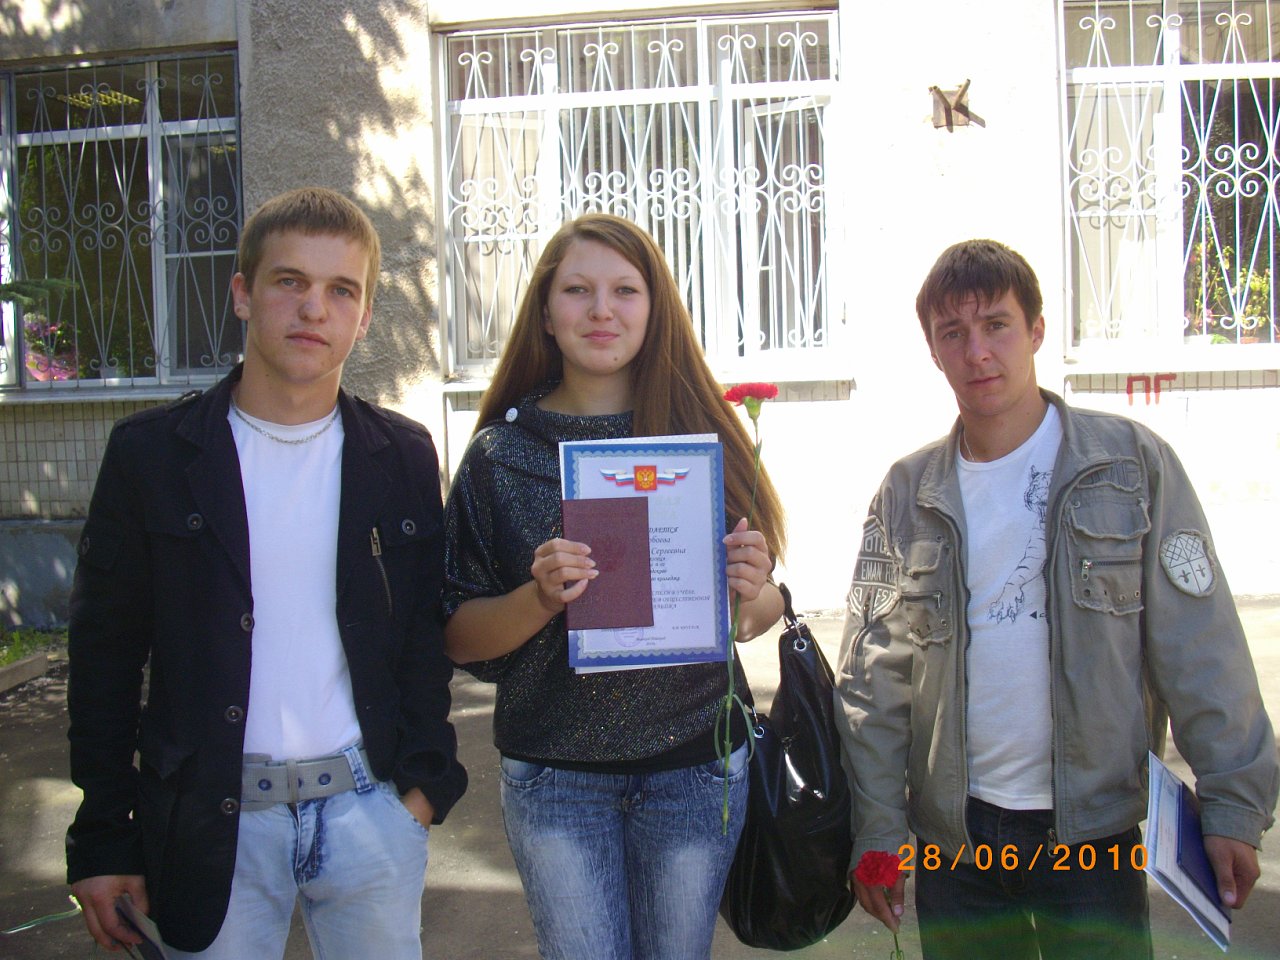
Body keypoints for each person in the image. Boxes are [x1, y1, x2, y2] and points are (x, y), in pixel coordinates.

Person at [834, 239, 1278, 959]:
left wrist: (1232, 804)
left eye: (997, 325)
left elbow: (1201, 645)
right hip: (958, 844)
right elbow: (873, 676)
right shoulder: (908, 493)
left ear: (1037, 330)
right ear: (934, 351)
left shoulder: (1130, 465)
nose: (978, 352)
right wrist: (879, 830)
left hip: (1093, 837)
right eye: (954, 333)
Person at [65, 187, 467, 958]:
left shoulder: (402, 456)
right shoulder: (153, 456)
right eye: (290, 281)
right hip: (208, 823)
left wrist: (420, 792)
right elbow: (104, 659)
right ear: (243, 294)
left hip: (369, 815)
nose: (314, 308)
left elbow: (422, 637)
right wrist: (103, 838)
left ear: (364, 315)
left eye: (341, 290)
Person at [443, 212, 785, 960]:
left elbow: (758, 613)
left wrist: (749, 588)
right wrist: (538, 599)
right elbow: (459, 637)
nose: (602, 310)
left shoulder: (700, 440)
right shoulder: (502, 456)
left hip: (695, 768)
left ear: (655, 309)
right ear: (545, 312)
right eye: (578, 290)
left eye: (625, 290)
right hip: (557, 778)